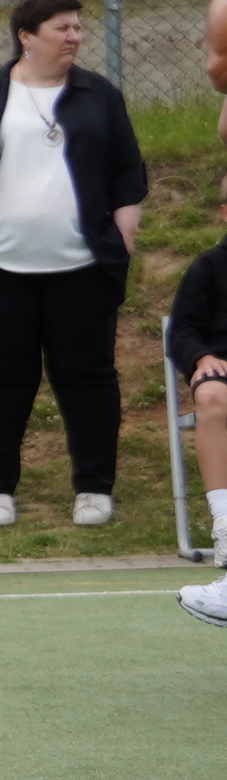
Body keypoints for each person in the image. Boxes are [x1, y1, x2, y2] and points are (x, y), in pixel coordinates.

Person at [0, 0, 148, 529]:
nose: (74, 37)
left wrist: (122, 239)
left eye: (77, 27)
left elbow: (127, 170)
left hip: (83, 269)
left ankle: (94, 489)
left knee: (88, 378)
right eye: (62, 28)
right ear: (26, 37)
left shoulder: (99, 95)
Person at [168, 184, 227, 624]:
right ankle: (225, 524)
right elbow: (183, 330)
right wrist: (200, 357)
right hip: (223, 374)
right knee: (210, 395)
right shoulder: (208, 267)